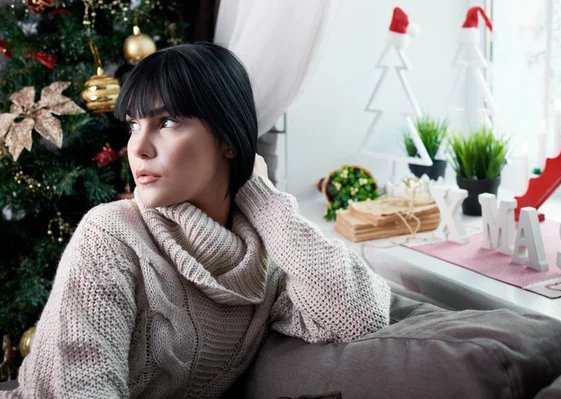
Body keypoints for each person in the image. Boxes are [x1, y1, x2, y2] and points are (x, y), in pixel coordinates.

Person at [1, 42, 391, 398]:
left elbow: (361, 316)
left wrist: (260, 195)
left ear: (228, 139)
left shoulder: (262, 266)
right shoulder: (110, 235)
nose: (137, 147)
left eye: (166, 122)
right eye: (134, 124)